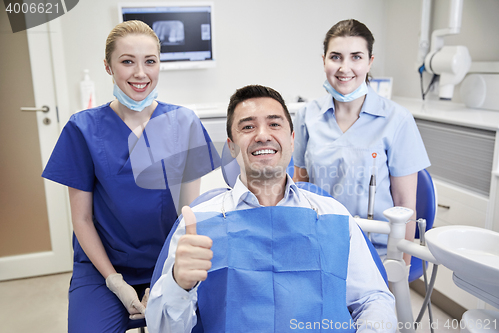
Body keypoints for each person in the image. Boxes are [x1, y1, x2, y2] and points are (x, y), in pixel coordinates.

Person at [146, 85, 397, 333]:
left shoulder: (333, 215)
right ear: (232, 147)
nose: (262, 135)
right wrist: (180, 285)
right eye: (247, 127)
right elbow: (162, 330)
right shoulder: (198, 224)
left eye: (274, 124)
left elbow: (373, 299)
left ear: (291, 139)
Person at [42, 20, 219, 332]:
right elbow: (82, 220)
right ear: (108, 66)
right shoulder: (82, 129)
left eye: (150, 61)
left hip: (166, 260)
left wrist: (171, 278)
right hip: (102, 268)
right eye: (127, 61)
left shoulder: (184, 123)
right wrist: (116, 283)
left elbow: (188, 216)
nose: (141, 73)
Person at [293, 19, 430, 264]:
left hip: (377, 250)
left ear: (370, 62)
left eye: (356, 57)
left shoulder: (397, 120)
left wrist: (401, 266)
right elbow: (301, 186)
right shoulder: (307, 116)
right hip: (319, 245)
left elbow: (405, 204)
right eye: (336, 57)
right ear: (323, 60)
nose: (345, 68)